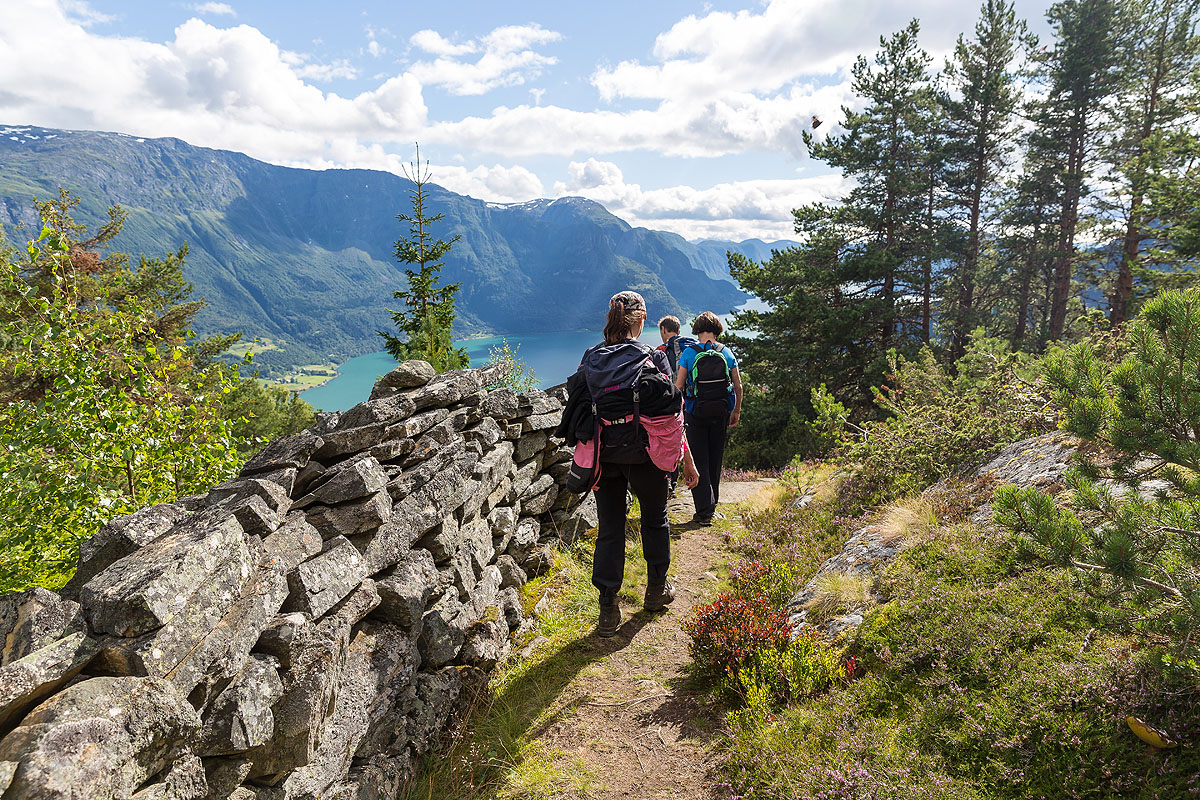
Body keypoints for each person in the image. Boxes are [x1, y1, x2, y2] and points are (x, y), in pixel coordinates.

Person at [573, 291, 699, 638]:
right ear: (640, 319)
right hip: (646, 454)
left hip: (605, 456)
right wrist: (686, 459)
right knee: (654, 519)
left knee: (610, 527)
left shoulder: (591, 357)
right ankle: (656, 591)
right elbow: (672, 415)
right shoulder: (648, 355)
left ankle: (608, 609)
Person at [675, 311, 742, 526]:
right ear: (717, 330)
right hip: (721, 412)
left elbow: (678, 386)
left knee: (699, 460)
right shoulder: (727, 352)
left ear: (697, 330)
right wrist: (736, 411)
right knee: (715, 459)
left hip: (695, 413)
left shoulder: (689, 353)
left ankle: (703, 511)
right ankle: (713, 504)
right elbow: (738, 386)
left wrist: (675, 414)